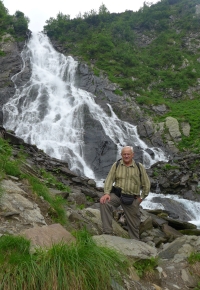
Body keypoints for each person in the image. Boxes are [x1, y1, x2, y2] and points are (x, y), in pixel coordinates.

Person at [100, 146, 150, 240]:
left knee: (134, 224)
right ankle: (107, 233)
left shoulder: (139, 167)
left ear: (132, 155)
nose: (126, 156)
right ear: (121, 155)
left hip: (132, 199)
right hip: (117, 195)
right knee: (104, 203)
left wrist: (141, 198)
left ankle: (135, 243)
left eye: (128, 154)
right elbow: (109, 180)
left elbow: (146, 184)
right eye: (124, 154)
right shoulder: (117, 165)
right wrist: (106, 193)